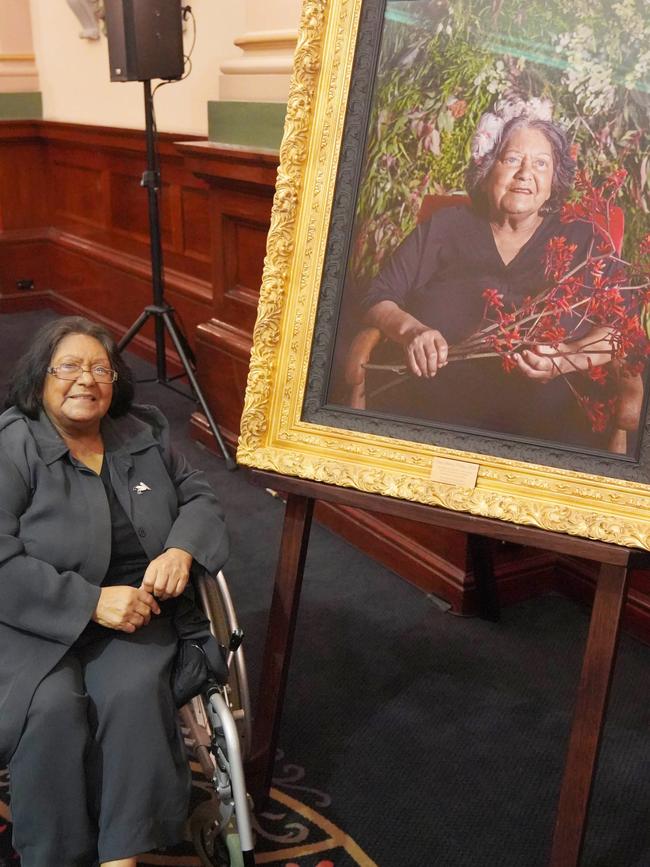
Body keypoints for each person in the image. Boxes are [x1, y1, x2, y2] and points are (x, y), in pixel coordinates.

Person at [0, 316, 229, 867]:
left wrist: (181, 549)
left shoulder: (140, 433)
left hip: (136, 613)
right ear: (39, 382)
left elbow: (201, 498)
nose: (87, 380)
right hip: (33, 619)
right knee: (52, 708)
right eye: (70, 367)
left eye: (100, 368)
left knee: (130, 695)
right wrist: (89, 602)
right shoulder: (13, 447)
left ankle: (120, 856)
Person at [360, 99, 619, 449]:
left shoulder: (581, 239)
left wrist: (568, 357)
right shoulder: (446, 227)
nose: (526, 173)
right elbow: (378, 295)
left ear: (554, 180)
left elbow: (620, 329)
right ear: (486, 170)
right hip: (433, 416)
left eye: (541, 164)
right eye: (512, 159)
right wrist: (413, 332)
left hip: (546, 432)